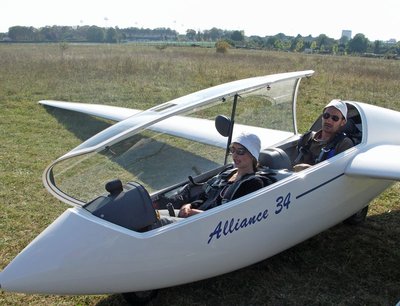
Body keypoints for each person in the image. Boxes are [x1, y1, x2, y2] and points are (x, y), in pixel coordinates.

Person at [157, 132, 265, 221]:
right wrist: (188, 205)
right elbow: (205, 196)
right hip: (193, 216)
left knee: (156, 223)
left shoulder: (253, 183)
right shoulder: (228, 172)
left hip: (209, 226)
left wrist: (196, 214)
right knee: (151, 217)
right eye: (232, 149)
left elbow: (232, 217)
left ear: (252, 155)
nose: (234, 155)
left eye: (240, 151)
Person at [293, 99, 354, 172]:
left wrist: (310, 169)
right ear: (322, 117)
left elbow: (338, 173)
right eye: (326, 115)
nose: (329, 120)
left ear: (343, 122)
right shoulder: (307, 138)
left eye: (335, 118)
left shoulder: (344, 144)